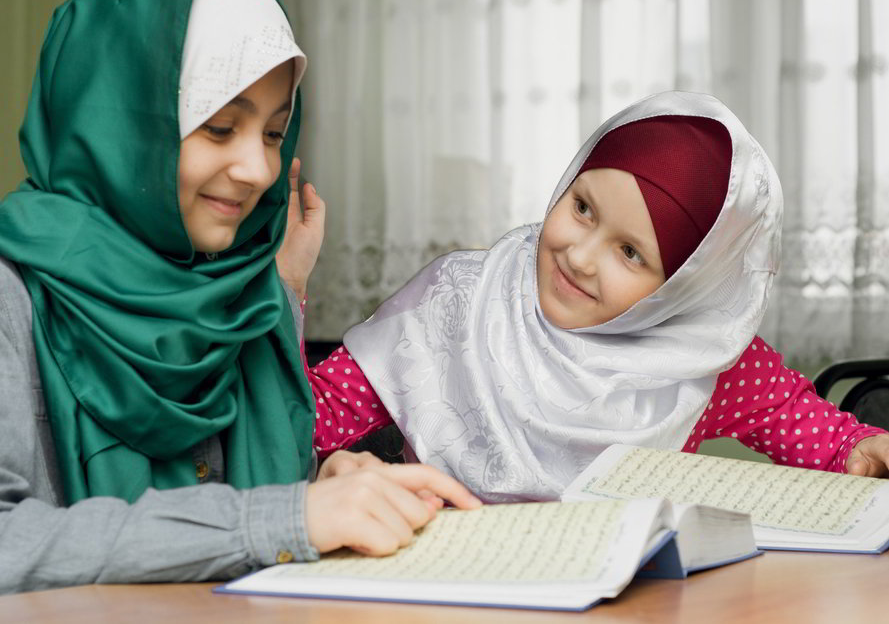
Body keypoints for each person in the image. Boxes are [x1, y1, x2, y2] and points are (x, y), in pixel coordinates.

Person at [0, 0, 479, 595]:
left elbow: (237, 508)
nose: (257, 169)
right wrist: (286, 515)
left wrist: (323, 491)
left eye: (275, 133)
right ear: (119, 120)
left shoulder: (242, 295)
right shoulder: (14, 296)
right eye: (220, 127)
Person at [304, 91, 889, 502]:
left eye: (631, 253)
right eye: (582, 208)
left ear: (683, 289)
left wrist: (858, 449)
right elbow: (306, 418)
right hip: (441, 591)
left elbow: (804, 423)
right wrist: (282, 292)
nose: (579, 257)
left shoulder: (703, 356)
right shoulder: (459, 300)